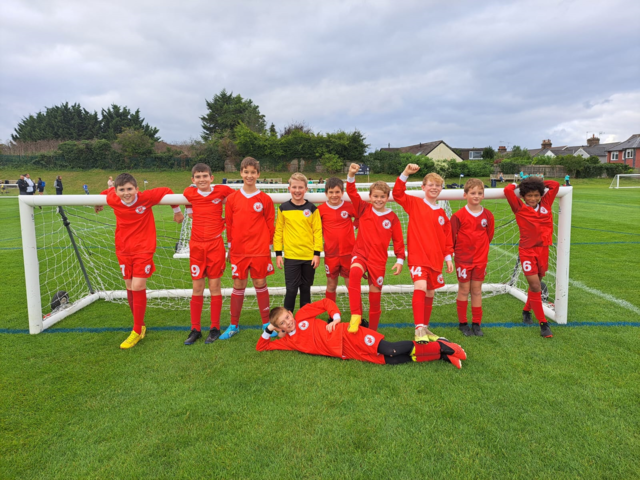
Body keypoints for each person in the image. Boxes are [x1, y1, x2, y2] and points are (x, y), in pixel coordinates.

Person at [94, 173, 183, 348]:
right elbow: (107, 191)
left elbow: (167, 190)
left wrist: (177, 210)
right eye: (122, 190)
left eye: (129, 189)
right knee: (129, 287)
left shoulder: (146, 198)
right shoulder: (113, 197)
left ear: (137, 189)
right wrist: (98, 201)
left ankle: (136, 330)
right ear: (117, 191)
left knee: (138, 286)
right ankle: (140, 325)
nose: (126, 193)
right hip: (123, 249)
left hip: (144, 249)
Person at [258, 299, 467, 369]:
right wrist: (269, 329)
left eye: (287, 316)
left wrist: (336, 317)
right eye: (282, 323)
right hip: (345, 352)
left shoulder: (302, 315)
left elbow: (325, 303)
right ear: (280, 329)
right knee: (390, 360)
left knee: (390, 348)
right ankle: (440, 355)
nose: (288, 321)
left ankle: (441, 345)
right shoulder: (288, 341)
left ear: (291, 312)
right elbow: (262, 346)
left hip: (346, 334)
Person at [393, 165, 453, 339]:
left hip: (435, 259)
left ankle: (425, 327)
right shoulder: (415, 204)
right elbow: (397, 194)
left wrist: (448, 257)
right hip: (418, 257)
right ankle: (418, 328)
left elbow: (447, 238)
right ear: (423, 187)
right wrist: (405, 173)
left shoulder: (442, 213)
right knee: (421, 287)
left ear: (441, 189)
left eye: (438, 185)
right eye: (430, 185)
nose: (434, 188)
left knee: (430, 292)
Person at [346, 163, 405, 332]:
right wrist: (351, 174)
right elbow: (351, 192)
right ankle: (356, 315)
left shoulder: (392, 218)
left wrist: (400, 259)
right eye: (376, 196)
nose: (379, 200)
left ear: (387, 198)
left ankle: (372, 331)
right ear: (370, 197)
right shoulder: (363, 208)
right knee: (355, 273)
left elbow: (399, 241)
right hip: (361, 254)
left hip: (378, 261)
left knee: (375, 297)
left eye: (382, 197)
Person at [182, 163, 235, 345]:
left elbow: (239, 199)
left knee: (214, 286)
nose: (202, 179)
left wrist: (227, 219)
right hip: (196, 246)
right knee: (197, 288)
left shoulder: (222, 191)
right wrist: (176, 211)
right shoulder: (189, 193)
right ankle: (195, 329)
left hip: (215, 245)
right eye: (198, 177)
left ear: (212, 178)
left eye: (205, 176)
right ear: (193, 180)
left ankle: (214, 328)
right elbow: (180, 203)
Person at [224, 157, 276, 340]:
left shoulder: (265, 199)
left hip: (260, 250)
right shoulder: (232, 199)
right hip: (238, 250)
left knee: (260, 283)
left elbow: (271, 224)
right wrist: (229, 247)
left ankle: (266, 323)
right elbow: (229, 224)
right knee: (238, 285)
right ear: (241, 173)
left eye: (253, 172)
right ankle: (233, 325)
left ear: (258, 174)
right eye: (246, 172)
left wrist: (269, 247)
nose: (249, 175)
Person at [504, 177, 560, 338]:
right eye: (529, 195)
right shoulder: (519, 207)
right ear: (523, 196)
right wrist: (518, 184)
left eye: (536, 195)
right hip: (527, 251)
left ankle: (526, 310)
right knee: (535, 285)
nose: (533, 198)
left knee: (537, 282)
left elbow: (554, 185)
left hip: (543, 250)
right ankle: (543, 324)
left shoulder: (546, 203)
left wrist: (539, 183)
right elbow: (508, 191)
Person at [451, 179, 495, 337]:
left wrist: (480, 252)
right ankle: (463, 323)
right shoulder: (458, 216)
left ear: (483, 195)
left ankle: (476, 324)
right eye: (473, 193)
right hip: (463, 260)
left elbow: (489, 236)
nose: (476, 196)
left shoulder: (488, 215)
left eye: (479, 193)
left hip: (480, 260)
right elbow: (452, 237)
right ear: (465, 195)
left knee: (476, 291)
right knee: (464, 290)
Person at [274, 172, 323, 312]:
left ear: (306, 189)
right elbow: (278, 232)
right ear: (289, 188)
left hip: (308, 257)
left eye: (300, 187)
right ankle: (286, 322)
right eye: (294, 187)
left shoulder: (313, 209)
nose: (297, 190)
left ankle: (304, 321)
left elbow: (317, 232)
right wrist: (278, 253)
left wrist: (316, 254)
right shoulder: (283, 208)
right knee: (291, 290)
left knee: (306, 289)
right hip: (291, 257)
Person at [318, 177, 357, 304]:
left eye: (337, 192)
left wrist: (354, 226)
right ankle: (331, 315)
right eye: (331, 192)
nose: (334, 195)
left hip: (348, 253)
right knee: (331, 285)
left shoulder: (349, 207)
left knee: (351, 286)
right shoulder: (320, 210)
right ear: (326, 193)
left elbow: (361, 217)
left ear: (342, 193)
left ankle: (357, 317)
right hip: (331, 254)